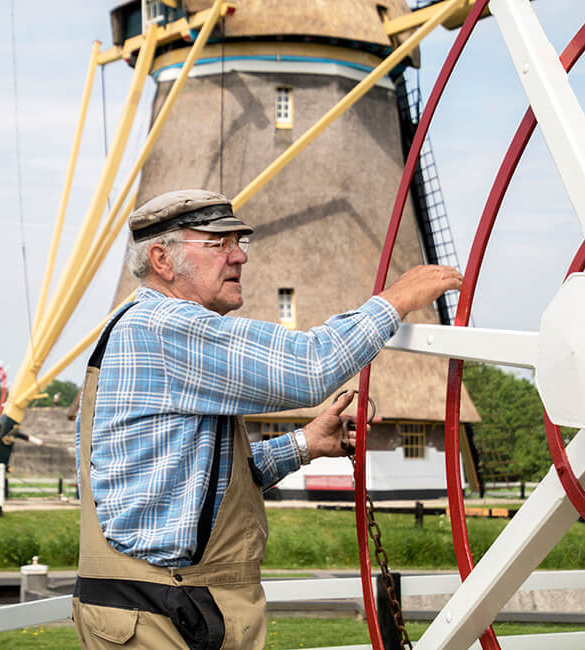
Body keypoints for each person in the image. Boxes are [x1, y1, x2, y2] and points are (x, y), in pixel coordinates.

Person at [72, 189, 462, 649]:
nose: (239, 257)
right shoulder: (165, 326)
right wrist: (397, 300)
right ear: (162, 258)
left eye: (241, 243)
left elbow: (193, 480)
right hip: (159, 607)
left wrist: (304, 444)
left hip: (170, 601)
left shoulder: (142, 326)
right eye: (219, 244)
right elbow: (311, 365)